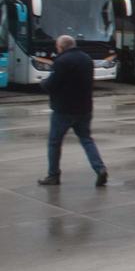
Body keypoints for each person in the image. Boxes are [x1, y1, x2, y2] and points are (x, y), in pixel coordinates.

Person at [38, 35, 107, 187]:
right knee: (86, 139)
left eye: (57, 47)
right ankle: (100, 168)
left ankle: (53, 175)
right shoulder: (86, 59)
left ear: (61, 47)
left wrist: (43, 83)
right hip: (84, 109)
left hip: (63, 110)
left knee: (54, 143)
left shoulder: (61, 61)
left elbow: (52, 84)